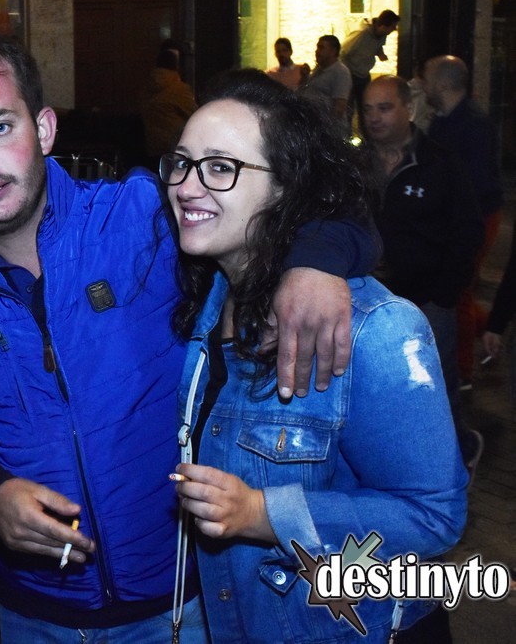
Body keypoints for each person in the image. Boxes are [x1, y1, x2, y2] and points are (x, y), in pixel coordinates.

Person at [0, 27, 376, 642]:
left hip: (179, 606)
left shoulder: (141, 218)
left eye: (0, 126)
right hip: (30, 616)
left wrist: (314, 261)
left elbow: (320, 201)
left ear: (43, 129)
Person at [164, 69, 466, 642]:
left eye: (221, 167)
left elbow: (433, 517)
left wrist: (263, 514)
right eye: (181, 163)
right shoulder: (207, 302)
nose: (186, 186)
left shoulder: (374, 328)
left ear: (285, 185)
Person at [360, 75, 484, 460]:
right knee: (376, 387)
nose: (374, 118)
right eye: (367, 109)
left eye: (384, 108)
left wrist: (444, 294)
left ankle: (458, 457)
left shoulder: (440, 162)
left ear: (409, 109)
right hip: (368, 301)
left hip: (427, 302)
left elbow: (468, 229)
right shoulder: (355, 164)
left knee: (434, 386)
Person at [422, 55, 504, 389]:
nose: (423, 84)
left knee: (460, 288)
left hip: (476, 218)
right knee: (459, 289)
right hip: (459, 218)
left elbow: (477, 188)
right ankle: (485, 329)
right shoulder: (445, 120)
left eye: (427, 78)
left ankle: (463, 371)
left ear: (442, 83)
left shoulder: (472, 125)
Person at [341, 9, 400, 127]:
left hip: (363, 75)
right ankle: (346, 133)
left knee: (365, 107)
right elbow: (343, 52)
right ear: (383, 26)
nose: (394, 29)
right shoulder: (361, 35)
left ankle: (365, 132)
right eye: (393, 26)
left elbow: (378, 46)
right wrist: (345, 72)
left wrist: (380, 54)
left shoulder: (381, 35)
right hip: (352, 74)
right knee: (349, 108)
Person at [140, 46, 197, 163]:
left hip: (152, 147)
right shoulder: (179, 89)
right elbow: (194, 115)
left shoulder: (147, 88)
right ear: (176, 65)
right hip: (174, 146)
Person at [299, 34, 352, 140]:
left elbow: (339, 107)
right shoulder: (319, 70)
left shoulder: (340, 72)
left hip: (329, 133)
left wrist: (325, 130)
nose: (317, 51)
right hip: (314, 128)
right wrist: (305, 77)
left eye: (321, 48)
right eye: (317, 47)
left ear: (333, 51)